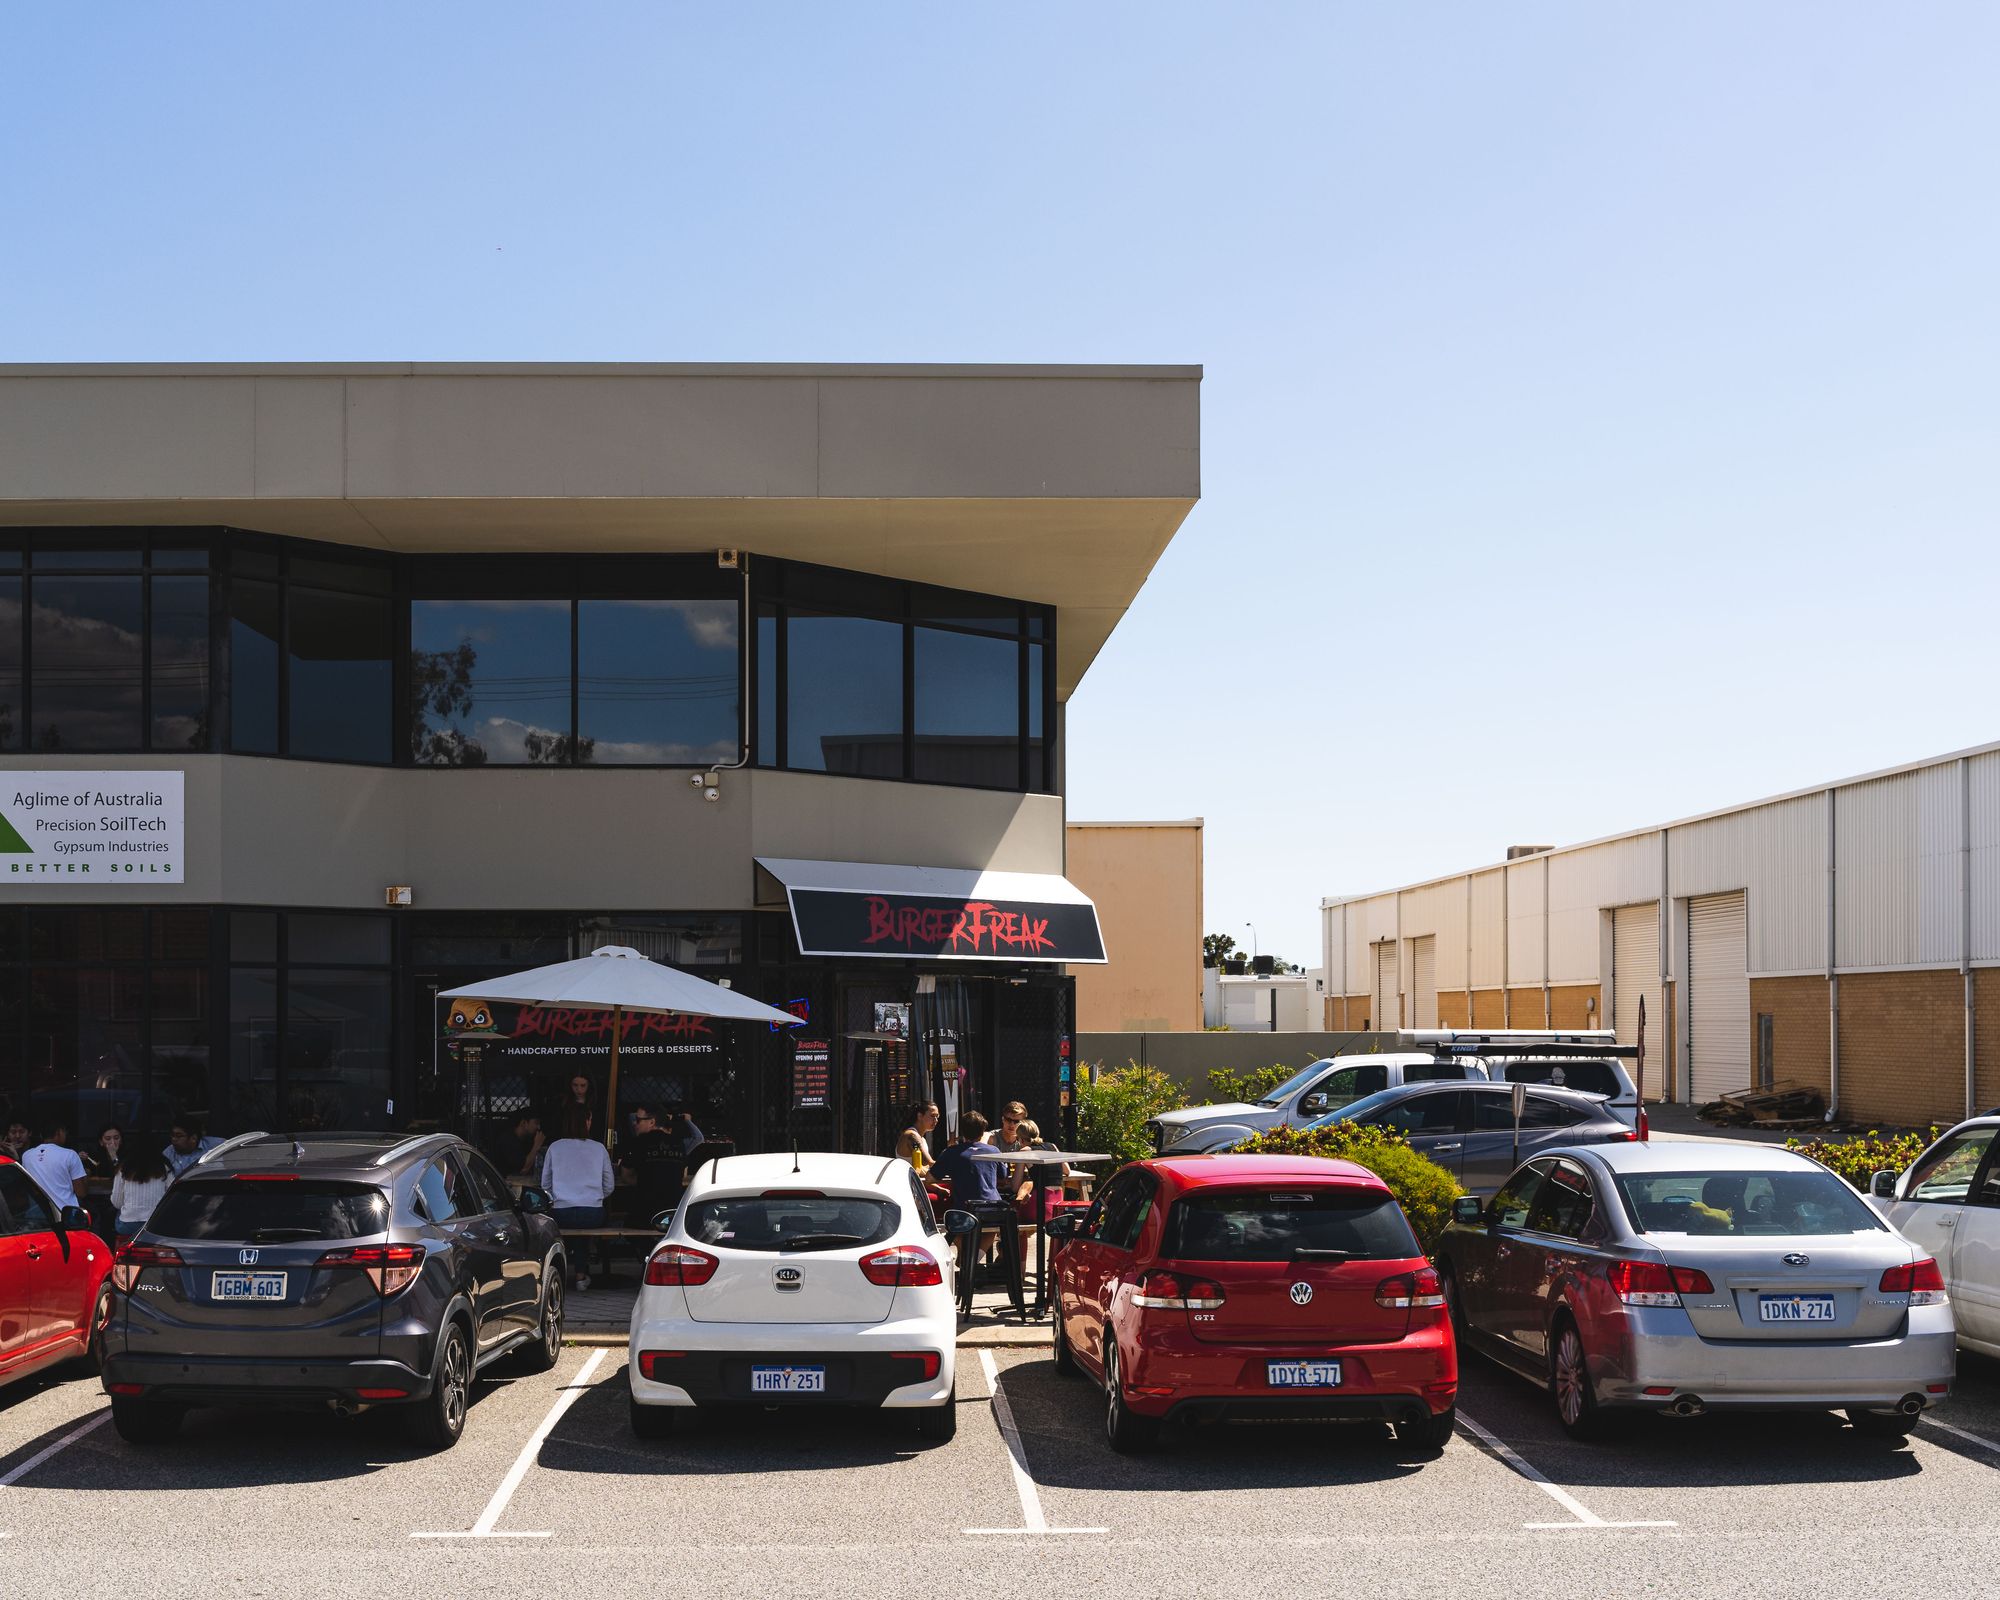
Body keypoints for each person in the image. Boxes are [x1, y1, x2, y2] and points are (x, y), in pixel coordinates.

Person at [542, 1105, 615, 1290]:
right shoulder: (599, 1148)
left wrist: (562, 1197)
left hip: (561, 1213)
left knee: (567, 1230)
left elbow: (545, 1185)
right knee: (583, 1232)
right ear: (586, 1122)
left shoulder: (555, 1147)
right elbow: (609, 1185)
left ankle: (564, 1271)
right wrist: (594, 1197)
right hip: (592, 1213)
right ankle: (581, 1276)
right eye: (589, 1119)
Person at [619, 1106, 685, 1225]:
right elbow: (682, 1172)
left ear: (652, 1122)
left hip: (645, 1214)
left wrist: (647, 1179)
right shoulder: (679, 1143)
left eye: (638, 1120)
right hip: (674, 1216)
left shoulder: (637, 1143)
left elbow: (626, 1175)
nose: (635, 1123)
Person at [111, 1139, 172, 1244]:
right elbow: (171, 1196)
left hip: (128, 1226)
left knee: (118, 1213)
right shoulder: (164, 1167)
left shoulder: (123, 1169)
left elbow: (117, 1203)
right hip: (155, 1225)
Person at [22, 1122, 89, 1206]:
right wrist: (86, 1175)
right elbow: (81, 1192)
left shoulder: (26, 1155)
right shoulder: (70, 1154)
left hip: (39, 1213)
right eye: (65, 1133)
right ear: (59, 1132)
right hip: (65, 1212)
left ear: (41, 1135)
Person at [497, 1112, 546, 1179]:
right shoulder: (508, 1140)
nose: (538, 1127)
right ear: (524, 1123)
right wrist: (537, 1145)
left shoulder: (527, 1140)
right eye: (536, 1123)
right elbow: (523, 1169)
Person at [895, 1102, 939, 1172]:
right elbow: (927, 1162)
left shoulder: (922, 1139)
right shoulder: (912, 1135)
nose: (936, 1120)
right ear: (920, 1116)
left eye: (937, 1116)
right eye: (932, 1116)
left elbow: (923, 1167)